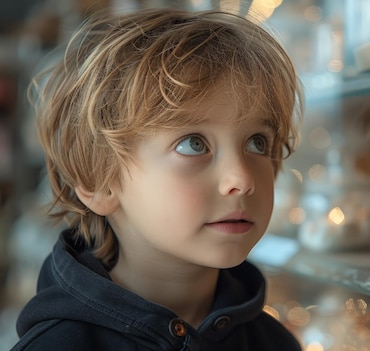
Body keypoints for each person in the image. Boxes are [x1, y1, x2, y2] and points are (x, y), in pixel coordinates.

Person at [12, 7, 303, 351]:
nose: (241, 179)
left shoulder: (275, 343)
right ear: (97, 181)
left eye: (257, 142)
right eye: (194, 144)